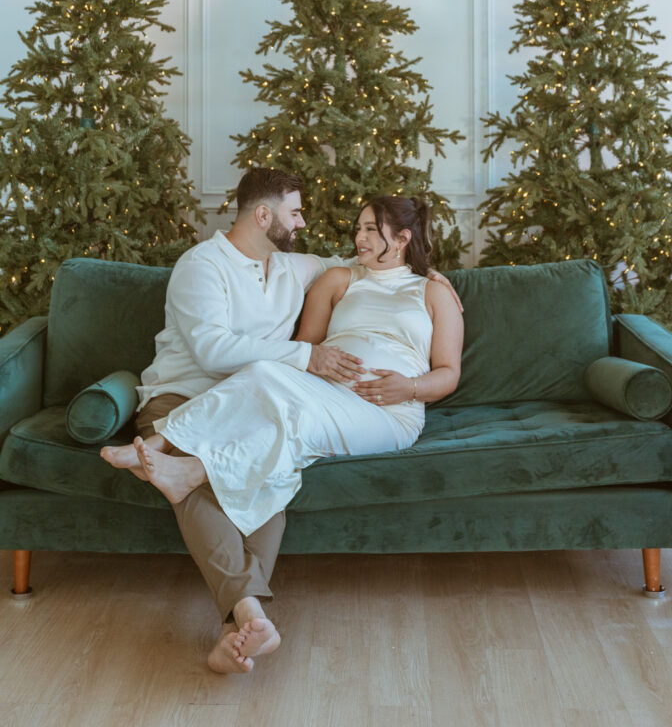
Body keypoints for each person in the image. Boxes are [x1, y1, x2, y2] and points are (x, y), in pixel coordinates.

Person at [105, 192, 464, 672]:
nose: (357, 237)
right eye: (356, 227)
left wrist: (412, 386)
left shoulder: (433, 292)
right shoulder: (336, 279)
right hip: (325, 392)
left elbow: (448, 372)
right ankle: (242, 617)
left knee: (288, 418)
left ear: (402, 239)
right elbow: (302, 350)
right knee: (262, 375)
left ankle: (184, 462)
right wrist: (318, 371)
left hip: (388, 409)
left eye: (370, 231)